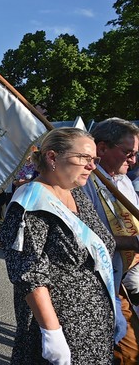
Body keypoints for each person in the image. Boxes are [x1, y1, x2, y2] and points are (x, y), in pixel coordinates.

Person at [0, 127, 119, 364]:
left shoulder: (77, 195)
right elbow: (29, 273)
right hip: (61, 327)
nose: (92, 166)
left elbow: (100, 248)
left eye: (94, 160)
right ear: (52, 157)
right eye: (84, 158)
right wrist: (52, 332)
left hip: (94, 328)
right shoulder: (31, 201)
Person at [81, 117, 139, 363]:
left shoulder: (125, 181)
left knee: (130, 351)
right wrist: (132, 243)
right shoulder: (84, 182)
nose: (133, 160)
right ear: (102, 149)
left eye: (136, 154)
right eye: (128, 152)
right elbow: (81, 237)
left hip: (126, 279)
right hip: (97, 283)